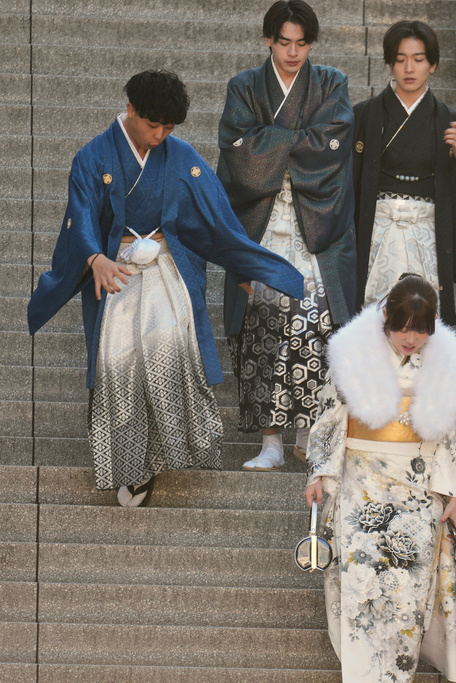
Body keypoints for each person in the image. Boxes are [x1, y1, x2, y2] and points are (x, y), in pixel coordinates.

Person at [27, 70, 304, 507]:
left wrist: (244, 266)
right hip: (115, 269)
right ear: (131, 109)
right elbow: (79, 217)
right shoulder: (94, 156)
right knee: (118, 363)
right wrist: (94, 257)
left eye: (169, 128)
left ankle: (167, 451)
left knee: (168, 349)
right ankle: (131, 466)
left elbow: (219, 221)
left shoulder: (181, 157)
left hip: (165, 265)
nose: (160, 135)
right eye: (153, 125)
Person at [304, 274, 456, 682]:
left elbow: (453, 431)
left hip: (418, 485)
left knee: (406, 594)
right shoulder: (354, 354)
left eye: (420, 329)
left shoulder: (447, 362)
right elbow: (331, 418)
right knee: (360, 586)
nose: (410, 338)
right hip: (362, 482)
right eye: (402, 327)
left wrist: (450, 492)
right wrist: (321, 471)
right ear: (386, 320)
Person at [217, 0, 356, 470]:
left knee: (315, 328)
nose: (292, 53)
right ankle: (270, 442)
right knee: (262, 328)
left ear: (311, 44)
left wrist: (269, 141)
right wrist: (299, 139)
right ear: (268, 41)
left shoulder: (332, 83)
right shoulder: (244, 87)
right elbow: (238, 155)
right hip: (262, 226)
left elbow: (333, 145)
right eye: (283, 42)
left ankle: (308, 435)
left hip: (312, 224)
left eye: (301, 44)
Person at [353, 20, 456, 326]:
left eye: (419, 59)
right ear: (389, 64)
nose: (409, 68)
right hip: (377, 232)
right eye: (400, 60)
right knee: (374, 320)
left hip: (427, 235)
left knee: (424, 320)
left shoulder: (453, 122)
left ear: (434, 65)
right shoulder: (363, 116)